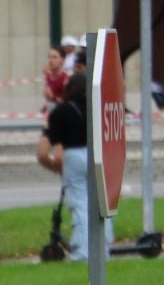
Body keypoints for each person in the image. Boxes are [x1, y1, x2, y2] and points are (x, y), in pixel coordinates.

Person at [36, 70, 109, 261]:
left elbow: (54, 144)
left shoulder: (61, 111)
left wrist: (55, 166)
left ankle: (83, 250)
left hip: (73, 156)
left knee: (79, 204)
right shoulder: (97, 107)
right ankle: (105, 248)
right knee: (101, 203)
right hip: (98, 155)